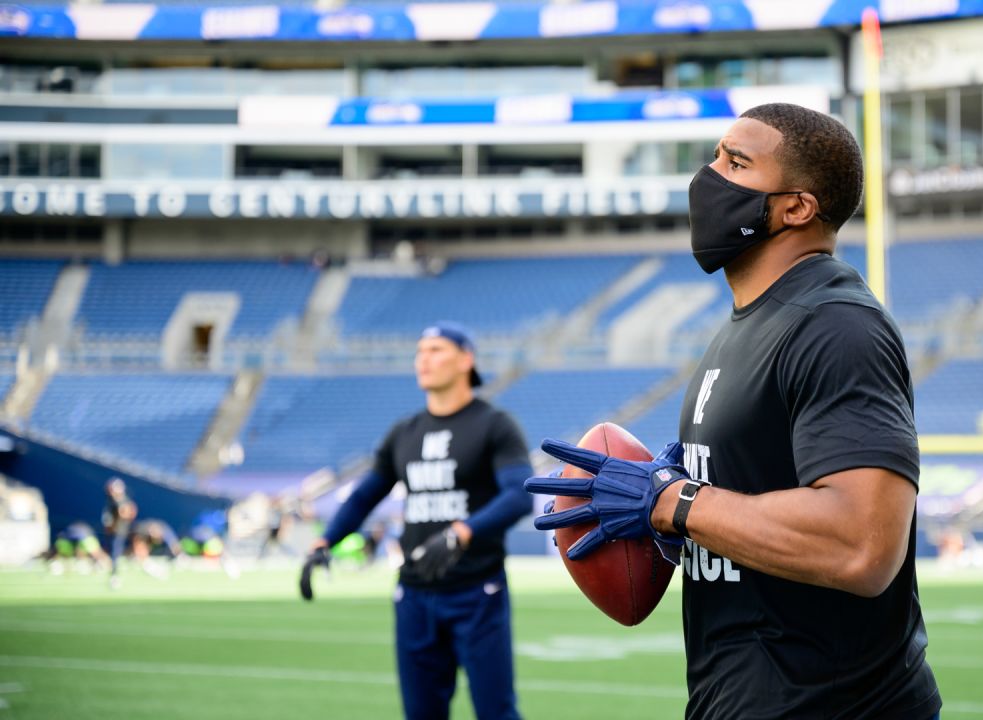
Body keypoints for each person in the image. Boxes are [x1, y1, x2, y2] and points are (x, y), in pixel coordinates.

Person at [528, 103, 941, 719]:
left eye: (736, 162)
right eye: (716, 156)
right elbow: (745, 512)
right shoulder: (749, 324)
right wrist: (674, 513)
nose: (709, 176)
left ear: (795, 207)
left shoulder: (834, 325)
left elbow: (863, 544)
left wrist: (676, 502)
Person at [301, 321, 533, 720]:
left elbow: (519, 494)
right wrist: (326, 541)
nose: (423, 359)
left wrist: (461, 532)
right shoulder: (403, 433)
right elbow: (363, 496)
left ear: (466, 360)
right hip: (414, 595)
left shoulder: (494, 424)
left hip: (477, 591)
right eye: (420, 351)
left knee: (497, 712)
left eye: (436, 350)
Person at [102, 477, 137, 589]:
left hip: (119, 530)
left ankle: (115, 575)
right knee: (114, 552)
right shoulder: (113, 500)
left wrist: (115, 523)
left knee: (115, 552)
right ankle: (114, 573)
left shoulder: (121, 500)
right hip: (116, 530)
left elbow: (127, 512)